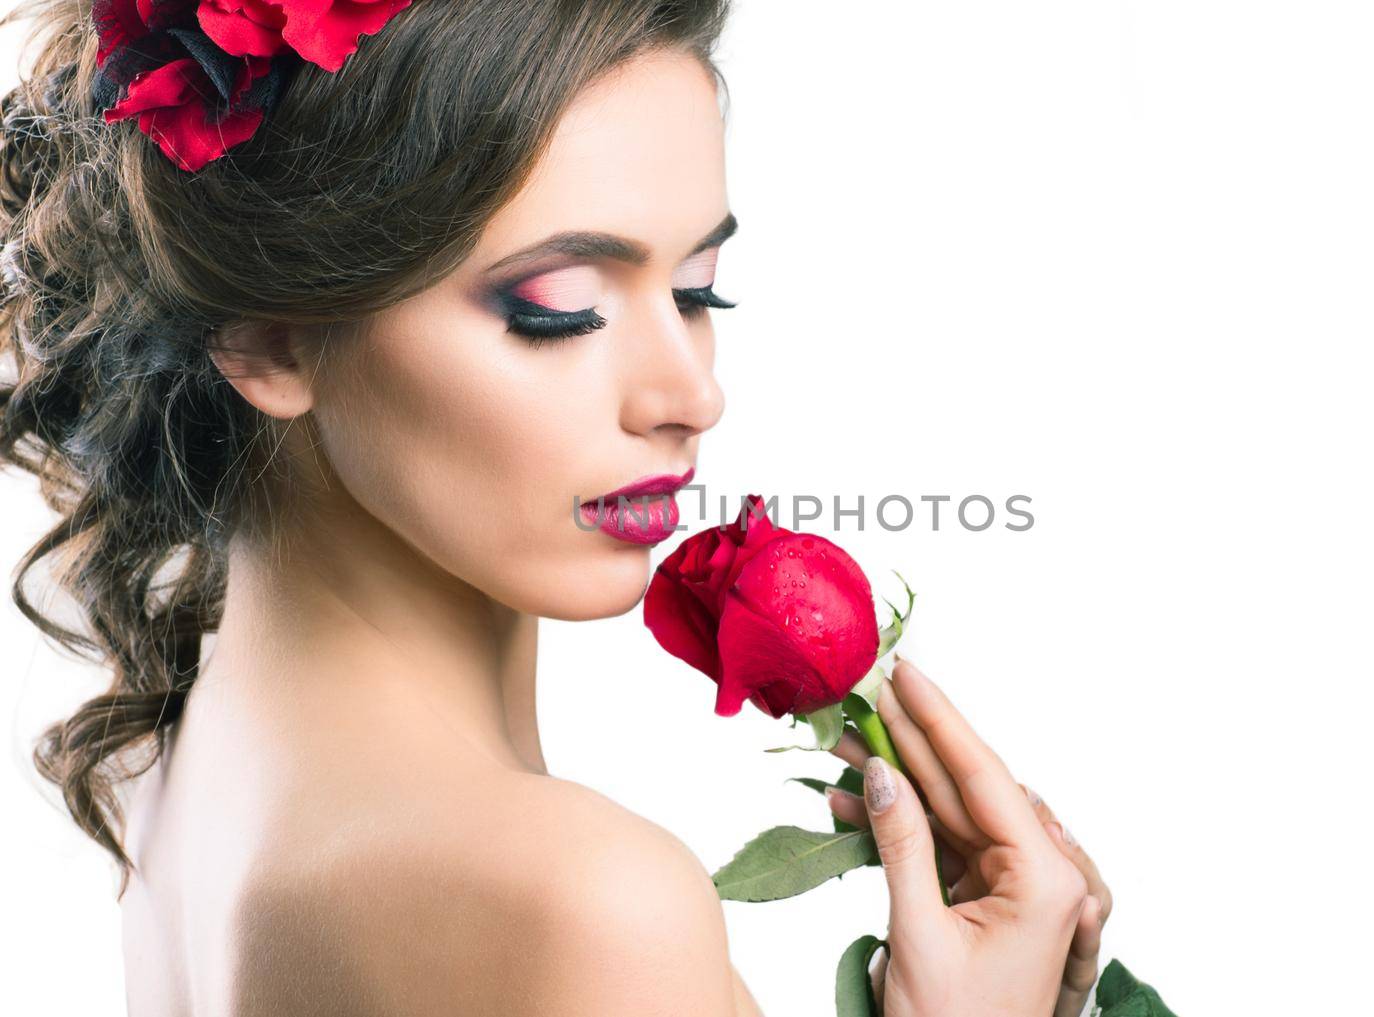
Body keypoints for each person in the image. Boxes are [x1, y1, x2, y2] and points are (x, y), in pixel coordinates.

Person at [0, 1, 1111, 1013]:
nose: (691, 394)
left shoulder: (176, 773)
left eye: (695, 292)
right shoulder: (582, 905)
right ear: (268, 334)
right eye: (559, 309)